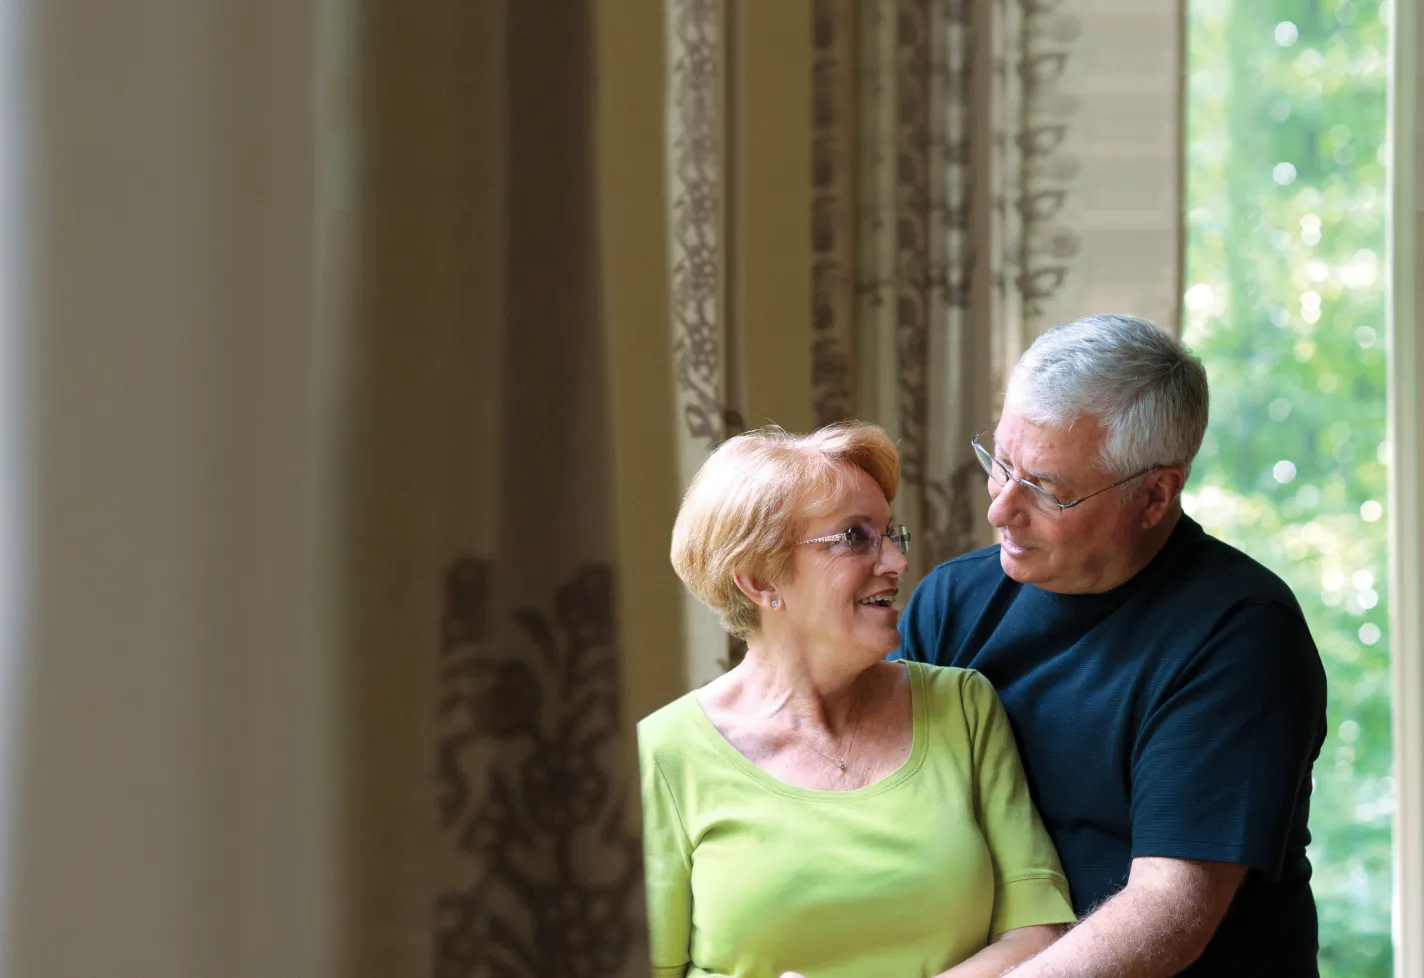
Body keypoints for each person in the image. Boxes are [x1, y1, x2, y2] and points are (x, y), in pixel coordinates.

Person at [895, 314, 1328, 977]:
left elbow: (1167, 913)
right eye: (999, 465)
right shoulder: (951, 603)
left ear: (1155, 494)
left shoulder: (1241, 635)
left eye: (1044, 488)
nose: (1000, 509)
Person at [639, 423, 1077, 978]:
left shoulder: (962, 706)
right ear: (756, 578)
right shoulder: (664, 752)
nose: (895, 563)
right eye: (855, 538)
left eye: (891, 535)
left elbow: (1038, 932)